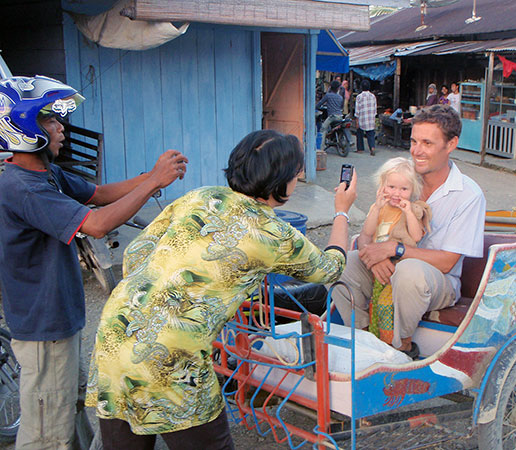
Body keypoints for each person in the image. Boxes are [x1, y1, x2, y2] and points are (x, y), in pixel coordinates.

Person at [85, 130, 357, 449]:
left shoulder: (200, 197)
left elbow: (136, 254)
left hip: (117, 333)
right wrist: (342, 210)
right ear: (282, 182)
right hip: (174, 355)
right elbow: (331, 267)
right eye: (295, 174)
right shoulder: (272, 233)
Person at [0, 75, 188, 449]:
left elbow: (100, 194)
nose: (61, 129)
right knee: (45, 435)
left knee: (68, 411)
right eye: (51, 121)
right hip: (43, 329)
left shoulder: (46, 174)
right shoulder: (22, 187)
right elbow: (98, 224)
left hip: (58, 321)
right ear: (23, 127)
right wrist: (152, 184)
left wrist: (152, 175)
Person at [331, 104, 486, 359]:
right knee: (341, 263)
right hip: (390, 267)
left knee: (409, 271)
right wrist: (374, 256)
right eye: (414, 141)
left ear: (451, 144)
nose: (417, 151)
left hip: (437, 282)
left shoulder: (468, 195)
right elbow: (374, 232)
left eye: (427, 143)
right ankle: (363, 339)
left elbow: (447, 262)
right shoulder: (401, 179)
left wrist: (394, 250)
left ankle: (400, 346)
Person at [360, 157, 427, 345]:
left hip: (398, 265)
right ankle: (373, 340)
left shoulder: (412, 210)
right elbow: (367, 231)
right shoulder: (379, 208)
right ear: (382, 186)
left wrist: (408, 213)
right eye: (391, 187)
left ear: (412, 190)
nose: (396, 193)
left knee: (386, 304)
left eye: (404, 189)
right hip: (378, 264)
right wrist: (376, 208)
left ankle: (390, 343)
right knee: (374, 303)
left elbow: (416, 237)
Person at [316, 79, 344, 151]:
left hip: (332, 117)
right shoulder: (340, 97)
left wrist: (316, 107)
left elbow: (320, 103)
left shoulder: (328, 95)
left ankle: (320, 149)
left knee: (323, 129)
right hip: (340, 116)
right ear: (338, 88)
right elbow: (341, 107)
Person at [355, 79, 377, 155]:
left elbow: (357, 111)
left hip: (362, 119)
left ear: (361, 87)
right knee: (371, 134)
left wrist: (357, 121)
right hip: (370, 119)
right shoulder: (373, 96)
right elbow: (375, 109)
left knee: (359, 133)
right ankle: (372, 147)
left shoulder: (359, 97)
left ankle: (360, 149)